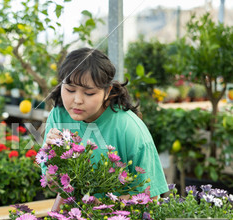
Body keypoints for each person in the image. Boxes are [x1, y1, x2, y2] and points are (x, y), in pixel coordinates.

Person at [43, 48, 169, 211]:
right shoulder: (59, 115)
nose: (77, 100)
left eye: (89, 93)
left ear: (107, 92)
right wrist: (52, 159)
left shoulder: (129, 129)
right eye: (70, 90)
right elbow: (54, 186)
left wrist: (104, 206)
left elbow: (151, 199)